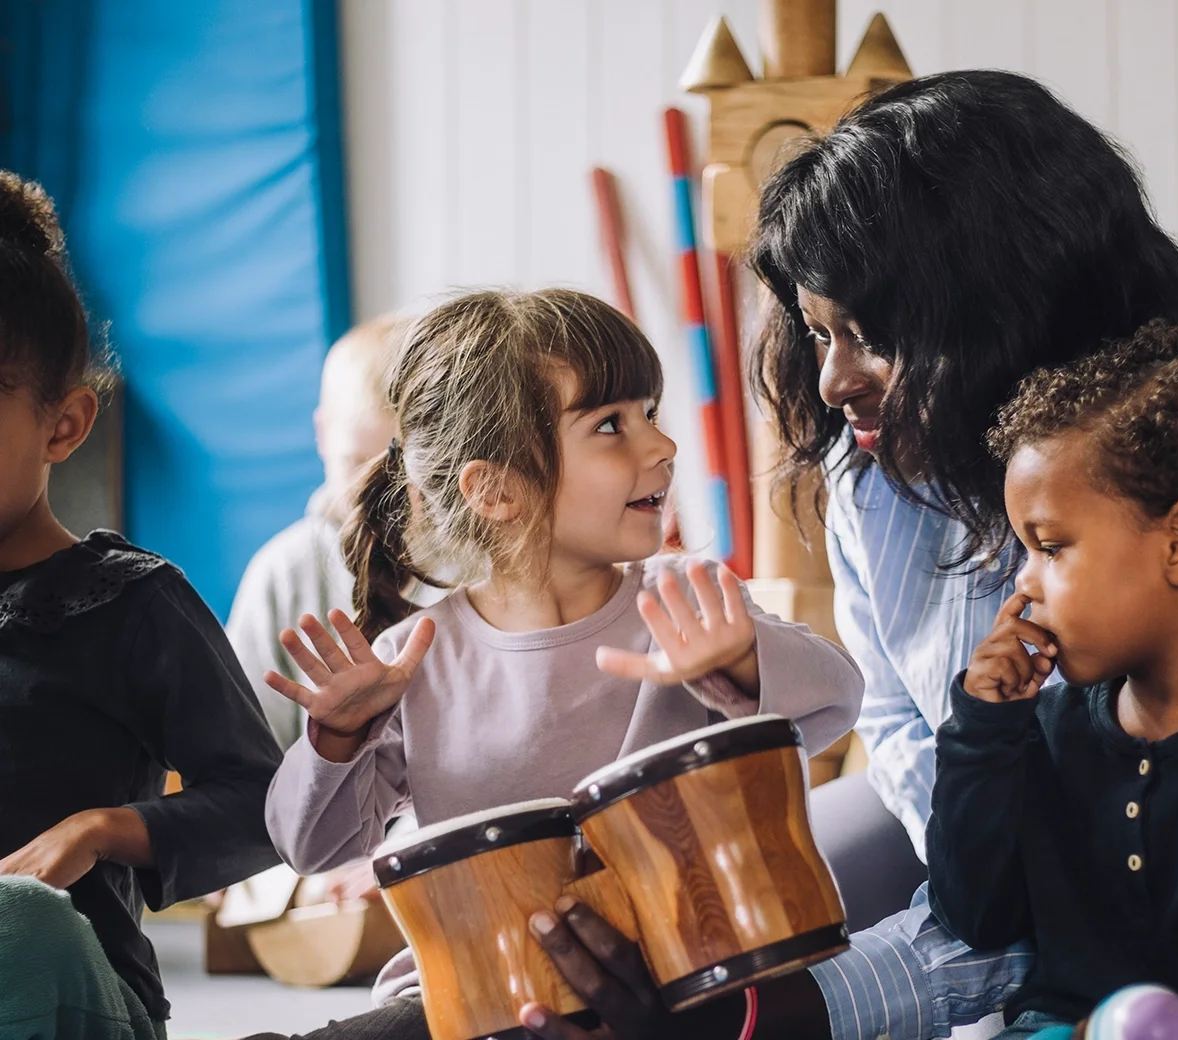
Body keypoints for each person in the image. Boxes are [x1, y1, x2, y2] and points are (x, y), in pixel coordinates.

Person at [516, 70, 1178, 1040]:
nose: (834, 378)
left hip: (1177, 897)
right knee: (678, 941)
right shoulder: (874, 455)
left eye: (870, 335)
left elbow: (1129, 895)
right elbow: (918, 769)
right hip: (982, 839)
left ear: (998, 309)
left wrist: (767, 1017)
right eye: (815, 332)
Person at [245, 287, 863, 1038]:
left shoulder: (682, 599)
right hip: (487, 997)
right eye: (611, 425)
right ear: (498, 489)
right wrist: (335, 739)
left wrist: (738, 659)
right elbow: (309, 846)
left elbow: (836, 701)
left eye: (651, 414)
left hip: (685, 981)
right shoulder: (417, 660)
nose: (661, 447)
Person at [928, 323, 1178, 1037]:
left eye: (1051, 546)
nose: (1024, 581)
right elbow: (975, 913)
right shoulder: (1046, 727)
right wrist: (982, 729)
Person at [0, 173, 283, 1038]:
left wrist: (100, 829)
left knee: (23, 922)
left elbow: (261, 806)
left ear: (65, 425)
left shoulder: (131, 602)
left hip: (69, 987)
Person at [227, 314, 408, 752]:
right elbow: (246, 746)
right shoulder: (282, 573)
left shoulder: (468, 559)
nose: (376, 493)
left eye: (398, 469)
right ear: (323, 436)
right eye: (355, 462)